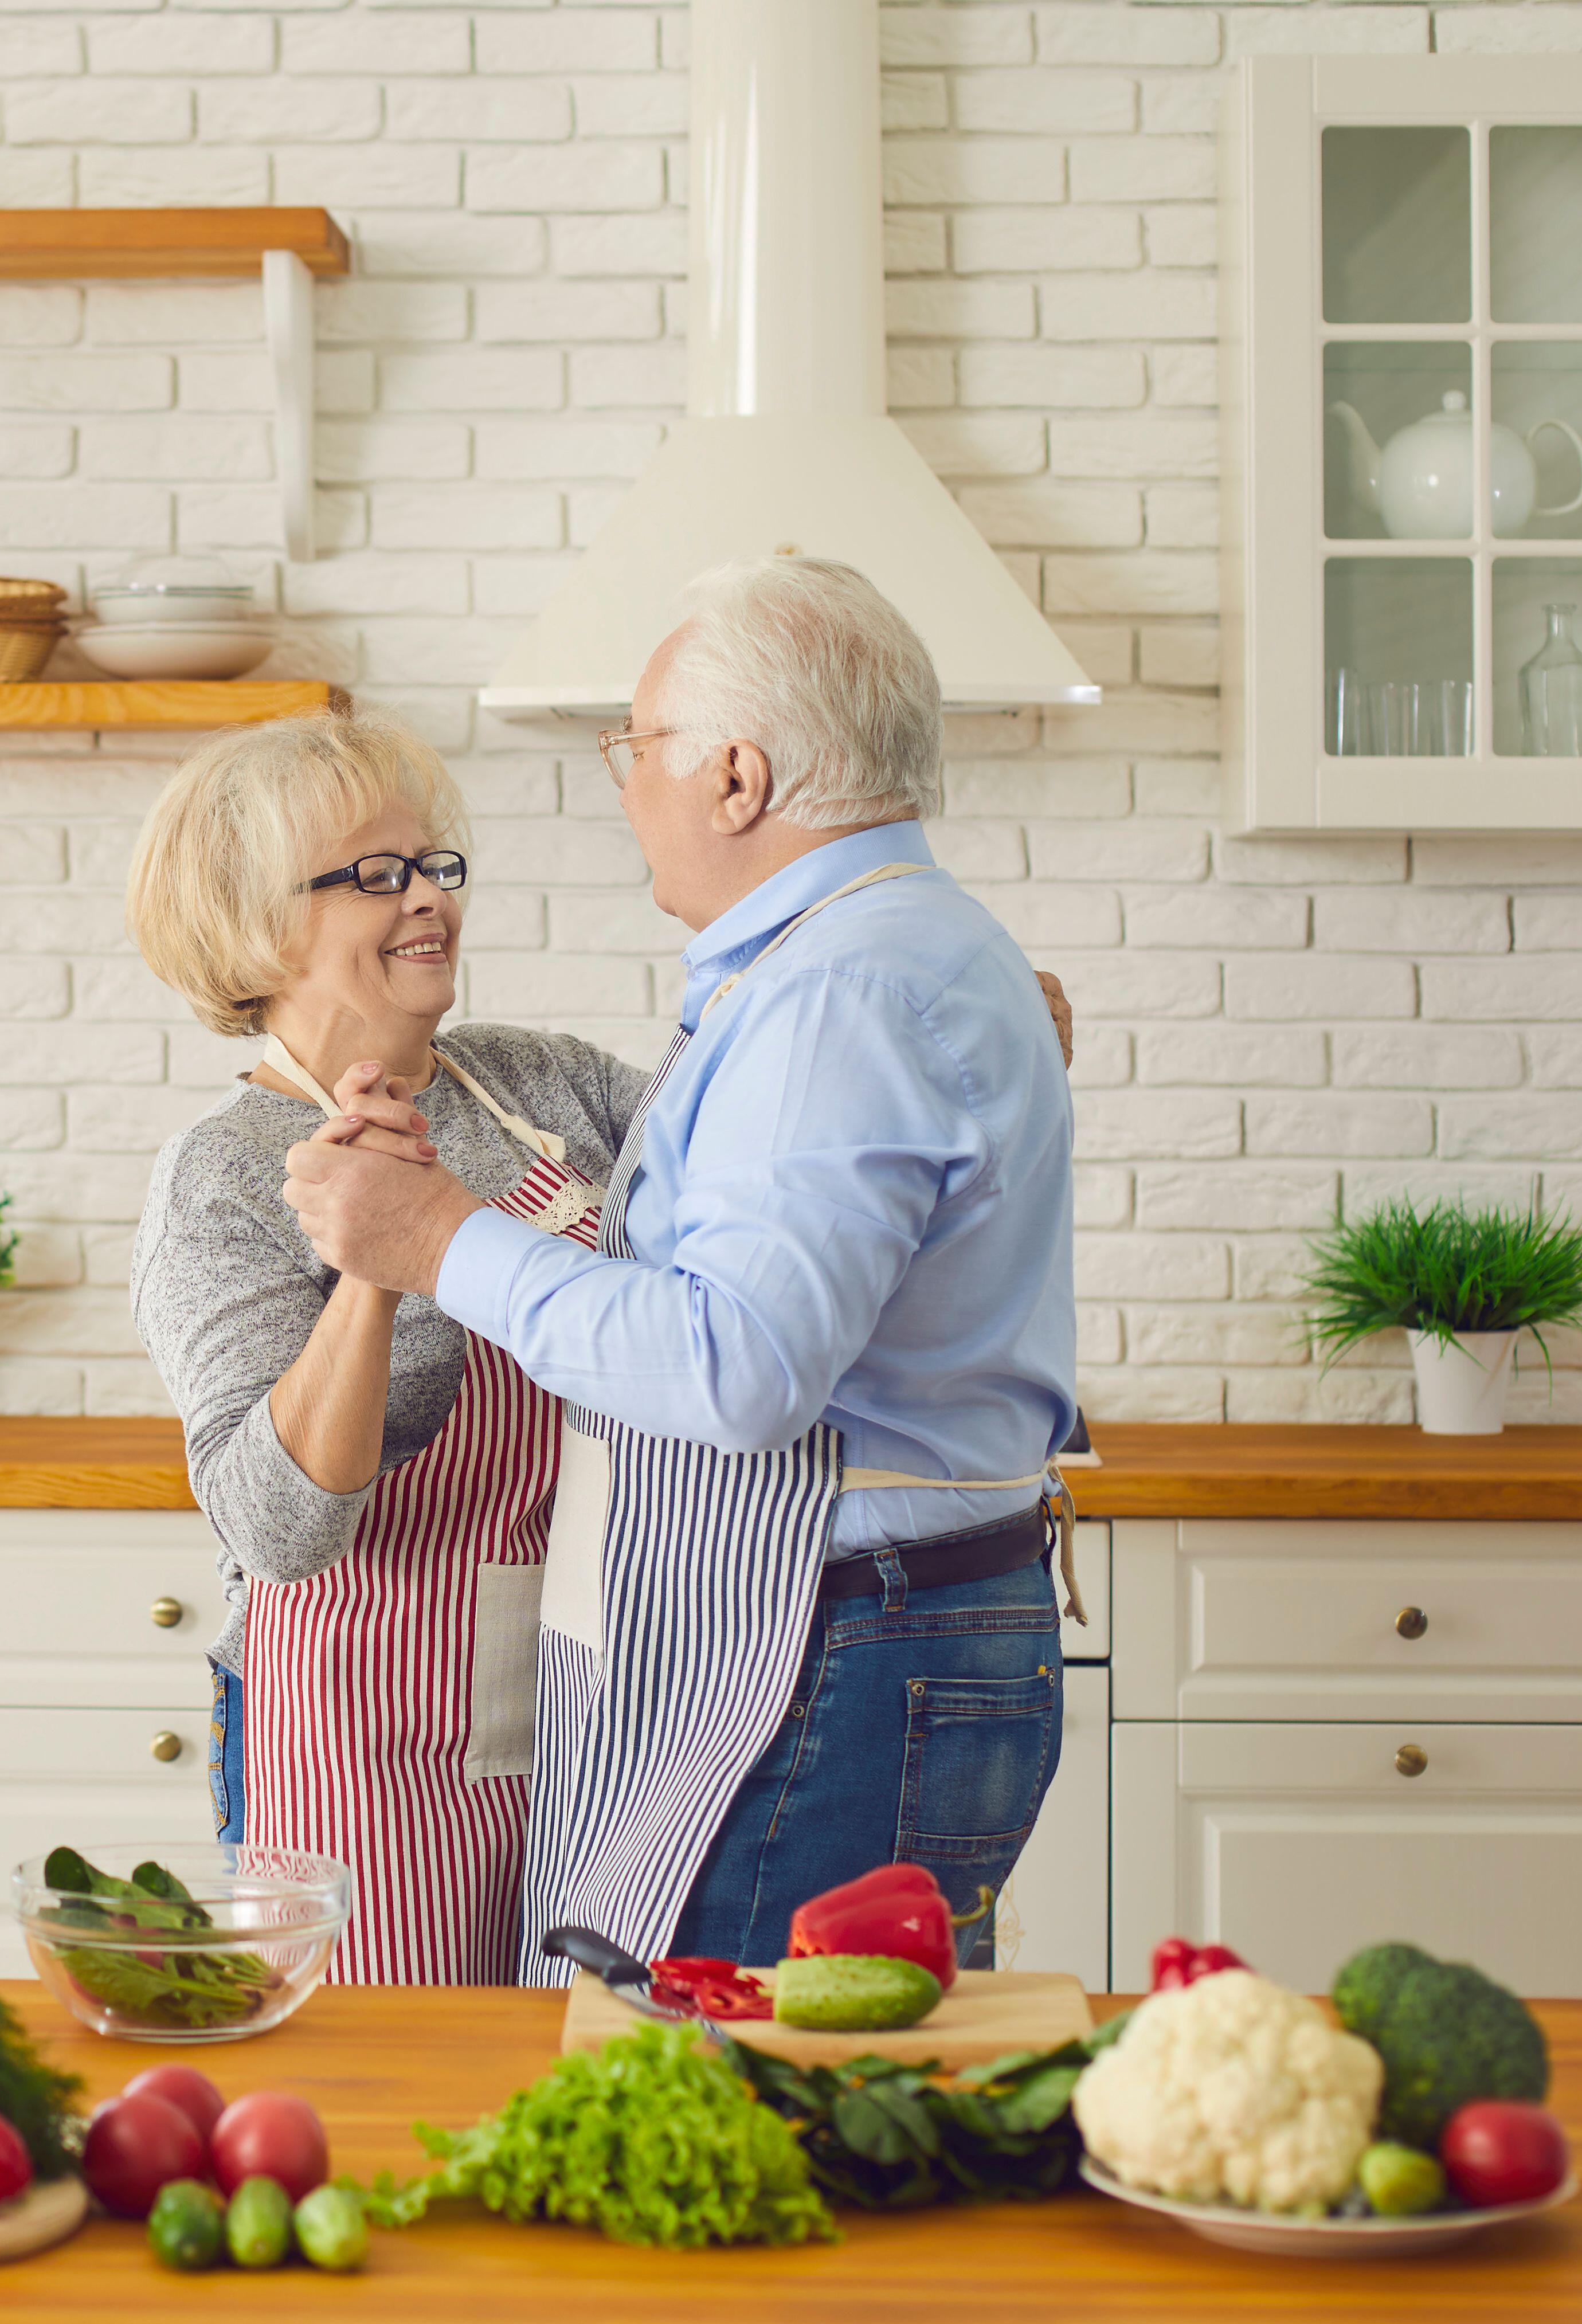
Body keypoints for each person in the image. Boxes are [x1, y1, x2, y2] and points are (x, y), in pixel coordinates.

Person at [277, 556, 1080, 1980]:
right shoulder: (896, 954)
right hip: (878, 1631)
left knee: (732, 2110)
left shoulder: (839, 991)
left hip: (836, 1653)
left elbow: (738, 1366)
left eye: (635, 748)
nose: (624, 783)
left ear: (735, 775)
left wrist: (433, 1238)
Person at [123, 712, 647, 1986]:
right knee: (393, 2097)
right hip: (362, 1731)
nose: (426, 897)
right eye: (373, 874)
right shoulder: (228, 1178)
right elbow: (273, 1528)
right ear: (256, 922)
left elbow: (758, 1163)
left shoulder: (543, 1083)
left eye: (432, 864)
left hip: (602, 1693)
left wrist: (919, 1035)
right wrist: (371, 1263)